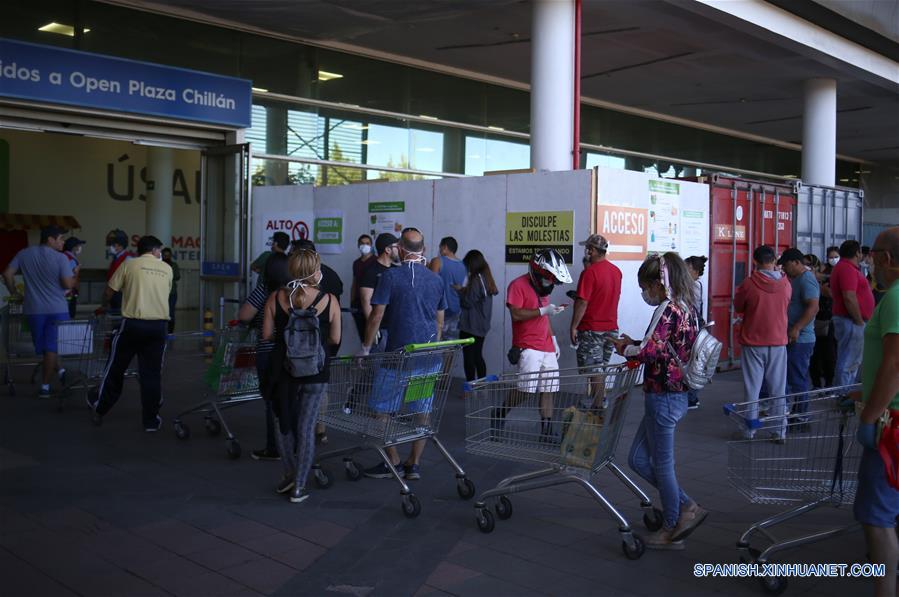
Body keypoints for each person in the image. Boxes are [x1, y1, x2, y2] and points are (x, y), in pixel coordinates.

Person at [614, 252, 705, 550]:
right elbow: (662, 348)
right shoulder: (687, 307)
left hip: (664, 396)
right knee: (638, 459)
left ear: (658, 283)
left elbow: (649, 353)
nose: (644, 294)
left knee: (662, 465)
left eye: (645, 287)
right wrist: (633, 345)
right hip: (670, 394)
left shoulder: (668, 309)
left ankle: (672, 526)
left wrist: (626, 348)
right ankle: (686, 507)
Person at [359, 228, 445, 480]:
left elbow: (376, 316)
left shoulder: (390, 276)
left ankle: (393, 460)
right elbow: (439, 323)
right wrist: (432, 348)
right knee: (422, 411)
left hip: (396, 360)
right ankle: (414, 463)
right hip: (427, 359)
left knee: (381, 410)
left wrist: (365, 348)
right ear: (424, 250)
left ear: (401, 249)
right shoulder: (436, 280)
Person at [262, 248, 341, 504]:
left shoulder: (276, 298)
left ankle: (288, 474)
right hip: (316, 371)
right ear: (315, 272)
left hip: (284, 371)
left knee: (282, 422)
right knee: (307, 427)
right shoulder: (329, 300)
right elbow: (335, 339)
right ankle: (300, 486)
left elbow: (266, 335)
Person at [853, 226, 899, 597]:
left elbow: (896, 363)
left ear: (886, 258)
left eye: (873, 254)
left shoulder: (897, 297)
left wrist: (871, 413)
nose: (870, 261)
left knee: (876, 516)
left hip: (891, 426)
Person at [87, 236, 173, 431]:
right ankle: (150, 421)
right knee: (151, 374)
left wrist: (104, 305)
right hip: (158, 328)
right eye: (159, 250)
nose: (160, 253)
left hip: (132, 326)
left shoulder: (129, 264)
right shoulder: (167, 269)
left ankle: (100, 409)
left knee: (115, 368)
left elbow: (110, 290)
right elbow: (164, 293)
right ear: (153, 251)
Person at [493, 248, 572, 441]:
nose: (550, 284)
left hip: (546, 346)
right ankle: (500, 412)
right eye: (548, 279)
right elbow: (516, 314)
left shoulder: (543, 286)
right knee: (525, 390)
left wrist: (553, 338)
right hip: (527, 345)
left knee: (549, 388)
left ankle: (546, 429)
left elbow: (545, 317)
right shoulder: (517, 285)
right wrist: (544, 311)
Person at [2, 226, 74, 397]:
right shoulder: (61, 258)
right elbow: (67, 285)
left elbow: (7, 274)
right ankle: (46, 386)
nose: (63, 242)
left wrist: (14, 293)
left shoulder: (24, 254)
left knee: (44, 347)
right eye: (61, 238)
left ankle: (60, 372)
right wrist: (74, 277)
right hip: (57, 310)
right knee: (50, 348)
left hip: (33, 310)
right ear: (50, 239)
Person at [733, 245, 791, 441]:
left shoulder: (749, 284)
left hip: (753, 342)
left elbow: (739, 306)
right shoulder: (786, 284)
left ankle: (749, 430)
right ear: (774, 260)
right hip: (778, 342)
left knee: (752, 388)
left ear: (755, 262)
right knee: (778, 388)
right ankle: (779, 431)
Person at [239, 253, 290, 462]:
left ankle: (274, 447)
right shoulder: (296, 291)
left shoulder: (265, 290)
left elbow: (244, 315)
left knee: (271, 399)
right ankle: (292, 443)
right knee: (289, 398)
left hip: (268, 351)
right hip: (292, 352)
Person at [569, 234, 621, 404]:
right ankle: (597, 402)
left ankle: (600, 405)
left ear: (592, 250)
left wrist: (574, 326)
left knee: (594, 368)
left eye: (588, 249)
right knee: (600, 367)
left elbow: (583, 302)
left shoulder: (590, 273)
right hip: (611, 328)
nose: (586, 252)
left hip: (592, 327)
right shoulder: (616, 272)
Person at [778, 248, 819, 425]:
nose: (785, 269)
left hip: (801, 339)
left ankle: (802, 414)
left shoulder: (807, 280)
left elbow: (813, 307)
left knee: (797, 377)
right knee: (791, 376)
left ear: (796, 262)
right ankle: (796, 410)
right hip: (793, 337)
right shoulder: (795, 279)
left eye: (786, 265)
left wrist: (797, 328)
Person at [831, 240, 875, 388]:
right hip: (851, 320)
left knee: (851, 360)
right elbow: (849, 297)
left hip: (851, 320)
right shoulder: (846, 269)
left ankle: (845, 393)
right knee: (849, 361)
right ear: (857, 253)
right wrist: (859, 320)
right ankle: (843, 395)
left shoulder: (846, 268)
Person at [458, 249, 498, 381]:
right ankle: (482, 385)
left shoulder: (476, 279)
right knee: (478, 356)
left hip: (471, 325)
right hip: (482, 325)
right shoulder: (486, 277)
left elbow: (468, 302)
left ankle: (470, 389)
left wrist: (460, 292)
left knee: (469, 358)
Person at [358, 233, 398, 351]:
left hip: (395, 327)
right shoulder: (370, 271)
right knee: (378, 366)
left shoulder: (396, 270)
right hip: (381, 329)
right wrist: (374, 329)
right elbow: (366, 301)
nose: (399, 249)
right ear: (387, 249)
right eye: (396, 246)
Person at [429, 236, 467, 340]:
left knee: (434, 344)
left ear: (445, 247)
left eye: (440, 247)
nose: (439, 250)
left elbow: (430, 285)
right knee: (450, 345)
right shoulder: (464, 265)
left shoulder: (437, 261)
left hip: (439, 310)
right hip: (456, 310)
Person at [808, 253, 837, 388]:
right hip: (811, 323)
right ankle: (816, 383)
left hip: (827, 321)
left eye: (809, 264)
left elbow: (831, 294)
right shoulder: (805, 280)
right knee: (814, 356)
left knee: (829, 355)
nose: (807, 267)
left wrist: (818, 284)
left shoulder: (827, 280)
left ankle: (829, 384)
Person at [684, 255, 708, 409]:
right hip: (694, 327)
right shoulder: (692, 284)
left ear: (695, 271)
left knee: (693, 363)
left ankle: (692, 397)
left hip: (693, 328)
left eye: (687, 267)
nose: (684, 270)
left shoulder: (694, 286)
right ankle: (691, 396)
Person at [350, 234, 374, 341]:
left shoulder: (376, 261)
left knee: (372, 333)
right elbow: (354, 282)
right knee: (362, 335)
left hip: (372, 303)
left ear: (371, 245)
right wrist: (352, 301)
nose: (365, 246)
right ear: (358, 245)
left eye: (367, 243)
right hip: (358, 304)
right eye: (362, 243)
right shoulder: (356, 263)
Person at [103, 229, 133, 313]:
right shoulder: (116, 259)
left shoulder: (128, 259)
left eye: (113, 245)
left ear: (120, 246)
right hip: (113, 293)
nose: (111, 247)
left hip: (120, 294)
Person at [62, 237, 86, 319]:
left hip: (63, 294)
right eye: (79, 246)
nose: (80, 248)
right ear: (74, 247)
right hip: (69, 294)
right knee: (70, 316)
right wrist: (77, 288)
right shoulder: (71, 260)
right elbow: (72, 278)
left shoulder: (63, 256)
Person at [161, 248, 180, 334]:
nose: (167, 257)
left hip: (172, 293)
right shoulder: (159, 264)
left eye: (168, 255)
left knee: (171, 312)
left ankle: (170, 331)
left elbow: (177, 276)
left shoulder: (174, 265)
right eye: (165, 255)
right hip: (161, 293)